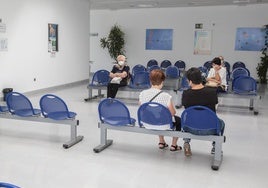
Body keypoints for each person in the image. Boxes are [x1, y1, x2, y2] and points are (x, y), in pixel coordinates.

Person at [181, 67, 225, 156]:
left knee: (187, 118)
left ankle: (186, 142)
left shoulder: (186, 94)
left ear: (190, 81)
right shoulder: (212, 92)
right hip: (210, 128)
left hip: (190, 127)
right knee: (221, 123)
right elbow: (214, 107)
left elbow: (187, 109)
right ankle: (215, 146)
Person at [139, 69, 182, 151]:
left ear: (150, 80)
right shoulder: (166, 96)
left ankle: (161, 142)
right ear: (162, 81)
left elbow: (142, 109)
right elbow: (172, 113)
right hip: (162, 124)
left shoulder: (143, 93)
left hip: (147, 122)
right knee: (178, 120)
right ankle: (174, 145)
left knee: (156, 115)